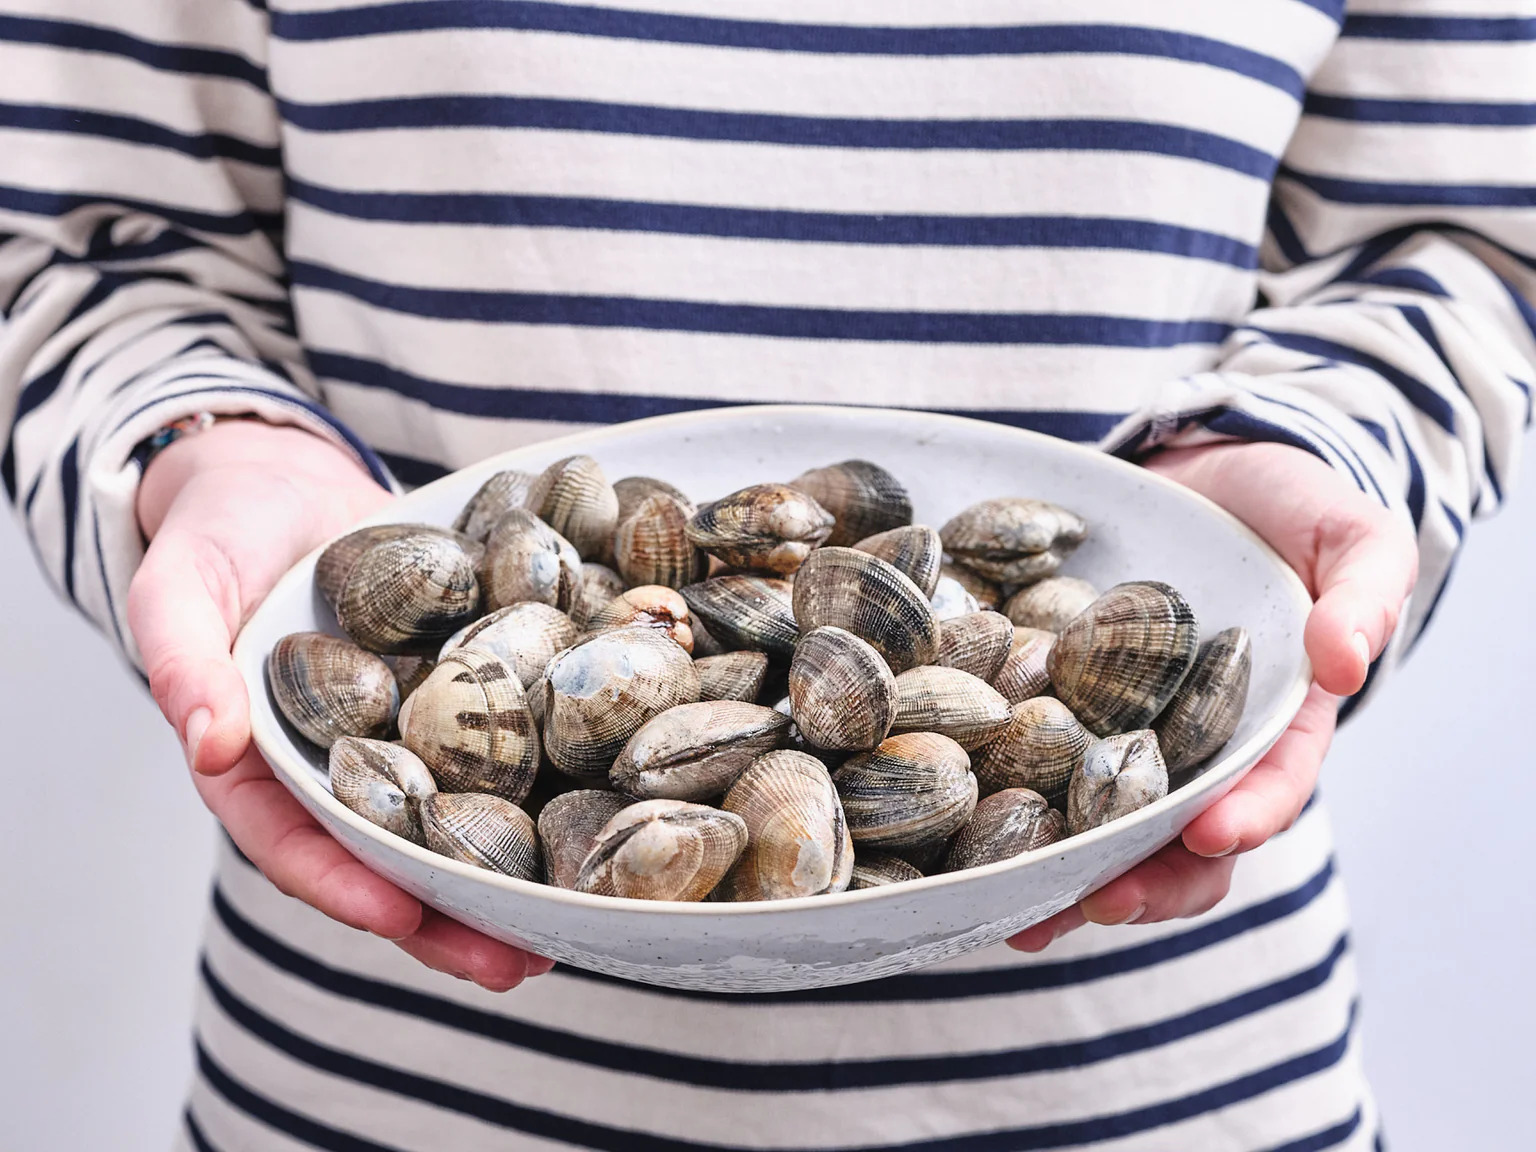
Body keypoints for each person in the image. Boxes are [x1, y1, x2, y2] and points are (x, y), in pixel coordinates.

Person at [3, 1, 1531, 1147]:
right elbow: (73, 241)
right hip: (389, 1069)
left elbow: (1458, 236)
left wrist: (1300, 469)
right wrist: (213, 450)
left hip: (1165, 1078)